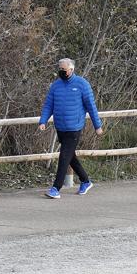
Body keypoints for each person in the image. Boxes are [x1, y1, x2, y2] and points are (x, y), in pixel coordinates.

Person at [38, 58, 103, 198]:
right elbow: (48, 104)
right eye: (60, 69)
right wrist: (43, 121)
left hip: (74, 126)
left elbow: (91, 107)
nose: (61, 72)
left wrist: (98, 126)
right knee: (70, 156)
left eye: (64, 70)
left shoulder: (82, 84)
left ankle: (56, 188)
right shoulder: (55, 86)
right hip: (60, 126)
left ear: (71, 69)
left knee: (64, 156)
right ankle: (85, 181)